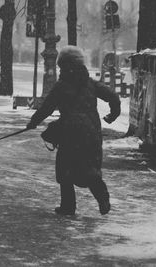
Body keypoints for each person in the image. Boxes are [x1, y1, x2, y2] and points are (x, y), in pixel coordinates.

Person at [26, 46, 121, 216]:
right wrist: (113, 115)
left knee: (65, 169)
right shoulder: (91, 84)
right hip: (92, 131)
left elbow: (46, 108)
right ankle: (102, 196)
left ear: (64, 65)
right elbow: (113, 97)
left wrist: (33, 122)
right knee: (89, 167)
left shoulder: (61, 86)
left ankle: (68, 206)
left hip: (70, 132)